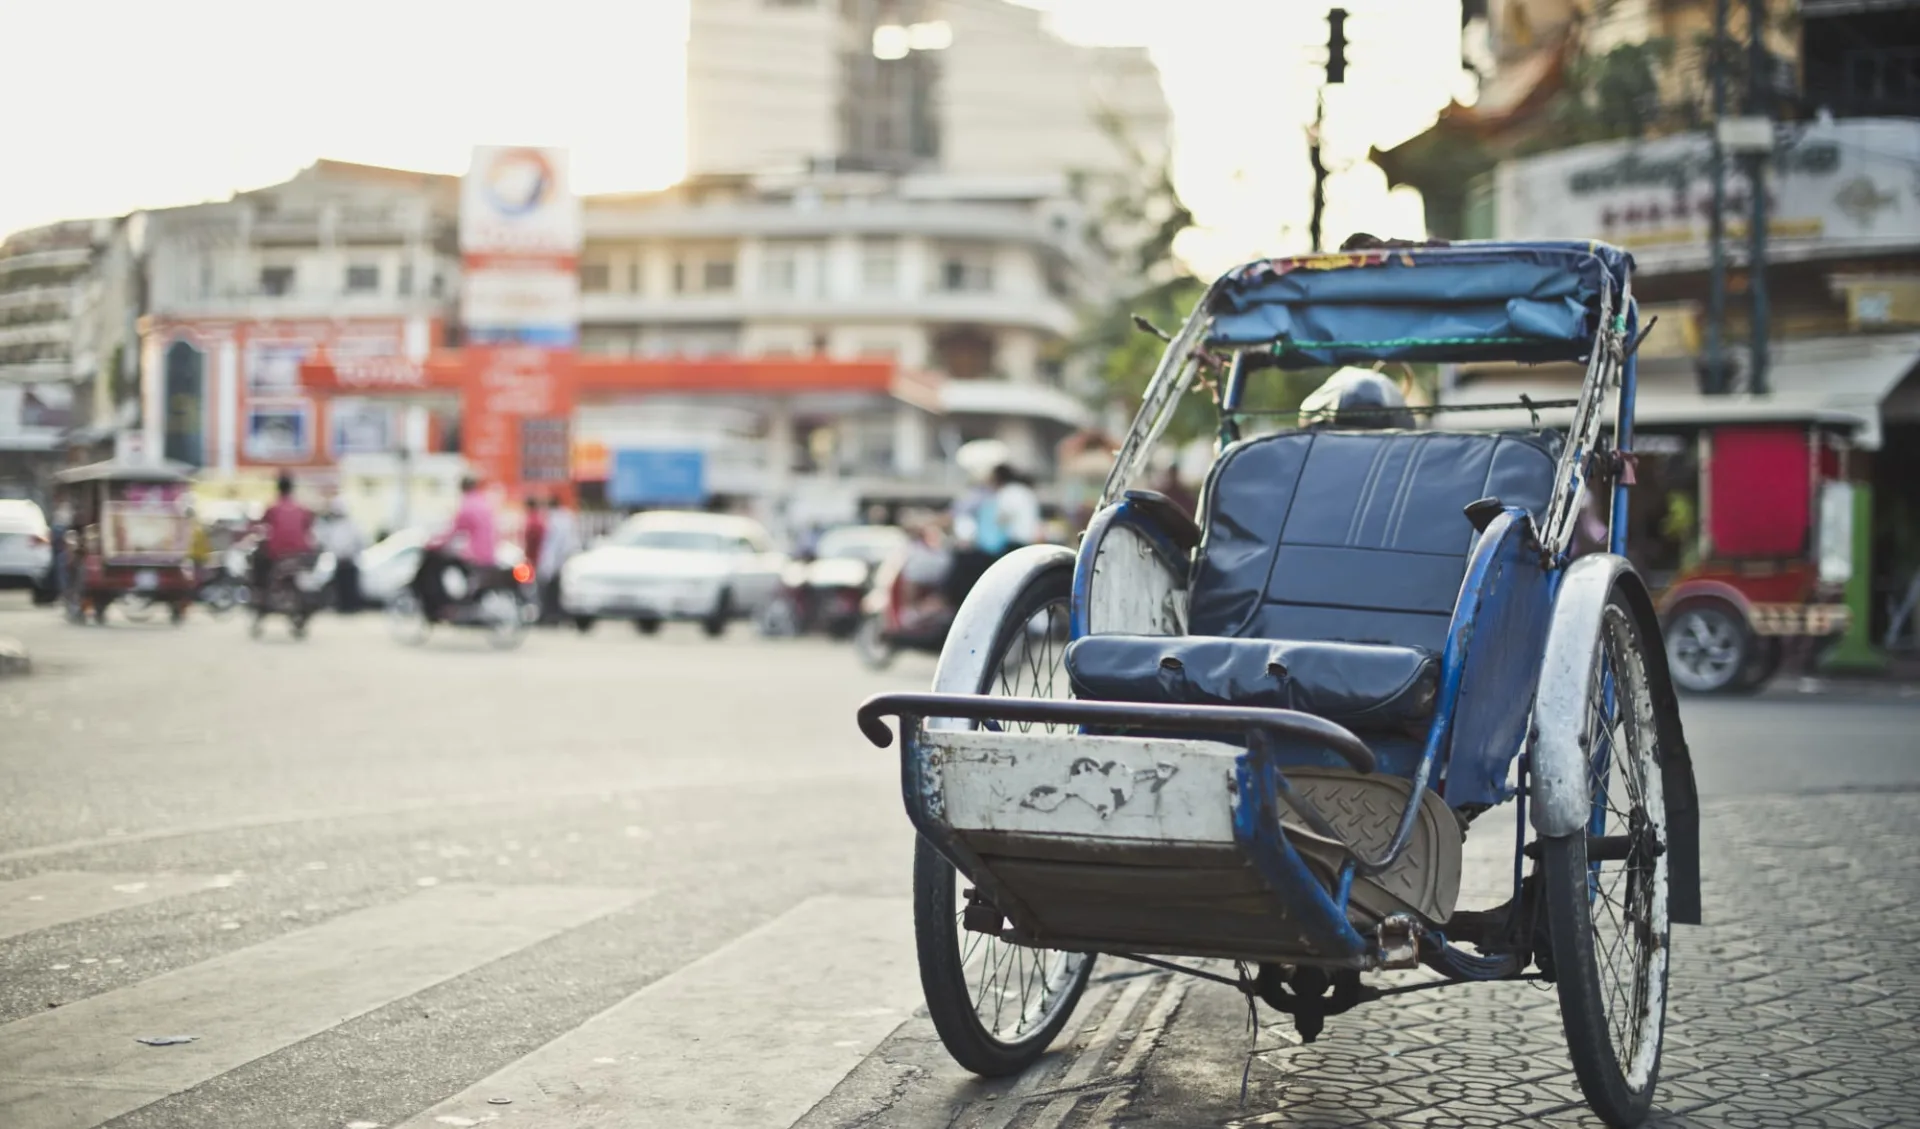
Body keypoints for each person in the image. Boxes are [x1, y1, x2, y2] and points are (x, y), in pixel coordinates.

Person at [418, 476, 498, 622]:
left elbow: (453, 531)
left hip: (475, 555)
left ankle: (446, 603)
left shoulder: (467, 506)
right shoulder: (484, 503)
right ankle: (458, 599)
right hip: (488, 554)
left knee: (438, 564)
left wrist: (434, 543)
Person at [254, 473, 315, 605]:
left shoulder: (273, 508)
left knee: (258, 566)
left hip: (276, 552)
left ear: (278, 488)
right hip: (300, 551)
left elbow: (261, 525)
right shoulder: (302, 508)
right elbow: (308, 526)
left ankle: (260, 595)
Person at [315, 494, 365, 612]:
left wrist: (353, 552)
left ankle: (351, 608)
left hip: (350, 562)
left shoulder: (353, 525)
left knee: (350, 588)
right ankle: (342, 607)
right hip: (338, 562)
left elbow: (361, 542)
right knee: (340, 588)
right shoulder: (333, 526)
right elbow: (326, 541)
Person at [536, 497, 579, 625]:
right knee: (559, 591)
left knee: (552, 592)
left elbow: (553, 545)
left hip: (556, 561)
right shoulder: (565, 518)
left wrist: (549, 564)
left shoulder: (555, 520)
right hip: (563, 560)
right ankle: (558, 616)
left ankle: (552, 616)